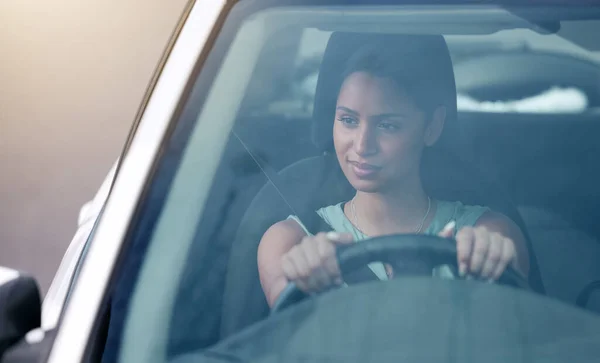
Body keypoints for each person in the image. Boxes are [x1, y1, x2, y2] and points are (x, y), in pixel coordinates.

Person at [257, 40, 530, 308]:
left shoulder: (487, 236)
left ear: (432, 127)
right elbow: (288, 335)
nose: (363, 145)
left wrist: (488, 266)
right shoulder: (291, 243)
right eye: (348, 120)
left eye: (387, 125)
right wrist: (308, 285)